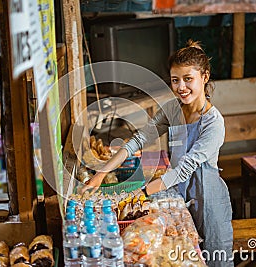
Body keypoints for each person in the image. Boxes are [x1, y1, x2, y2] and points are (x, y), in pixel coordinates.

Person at [81, 40, 233, 267]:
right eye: (175, 80)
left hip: (208, 199)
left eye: (188, 79)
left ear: (205, 77)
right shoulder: (173, 109)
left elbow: (185, 168)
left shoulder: (213, 122)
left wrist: (142, 192)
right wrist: (102, 173)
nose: (181, 87)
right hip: (180, 196)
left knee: (214, 259)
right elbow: (139, 140)